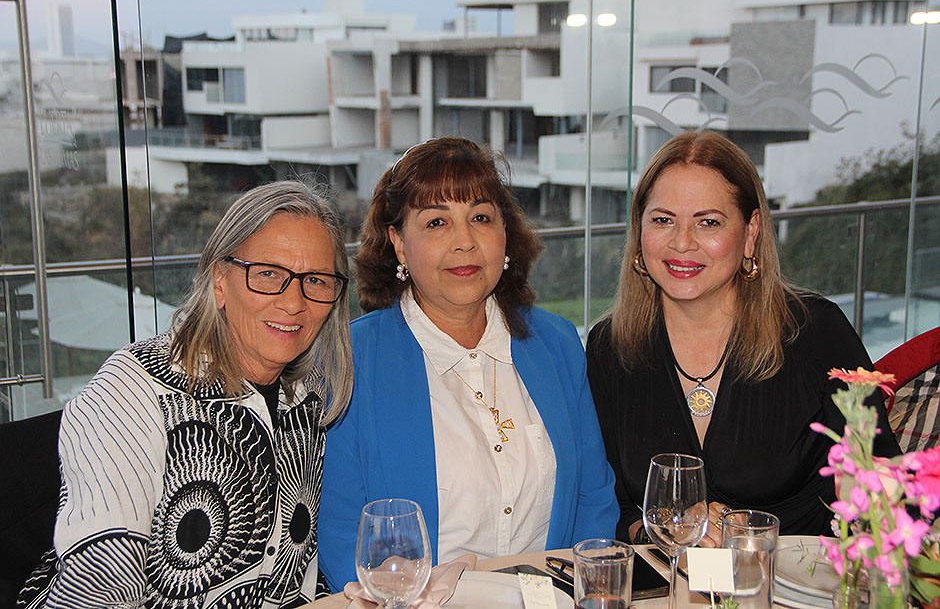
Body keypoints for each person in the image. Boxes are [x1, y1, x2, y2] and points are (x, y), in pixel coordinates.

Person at [21, 181, 353, 609]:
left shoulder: (307, 402)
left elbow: (298, 581)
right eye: (268, 274)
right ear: (219, 281)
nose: (294, 302)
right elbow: (99, 590)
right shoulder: (134, 389)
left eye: (317, 280)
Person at [318, 137, 617, 591]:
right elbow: (343, 533)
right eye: (436, 222)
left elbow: (593, 499)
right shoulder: (354, 358)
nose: (464, 242)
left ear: (505, 235)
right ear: (399, 243)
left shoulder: (556, 343)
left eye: (480, 217)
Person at [586, 132, 900, 547]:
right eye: (663, 220)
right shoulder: (611, 347)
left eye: (709, 222)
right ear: (639, 232)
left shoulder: (815, 332)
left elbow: (887, 486)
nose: (682, 242)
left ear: (751, 232)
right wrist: (664, 530)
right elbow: (619, 507)